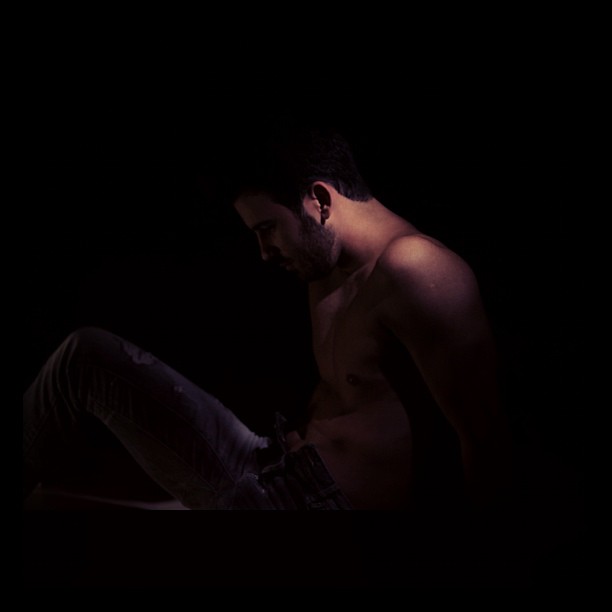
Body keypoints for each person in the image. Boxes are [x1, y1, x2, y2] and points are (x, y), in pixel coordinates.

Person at [23, 124, 513, 513]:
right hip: (268, 466)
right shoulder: (327, 267)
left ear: (320, 200)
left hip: (304, 505)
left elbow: (487, 437)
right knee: (50, 500)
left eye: (267, 229)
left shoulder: (419, 270)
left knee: (84, 363)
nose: (264, 252)